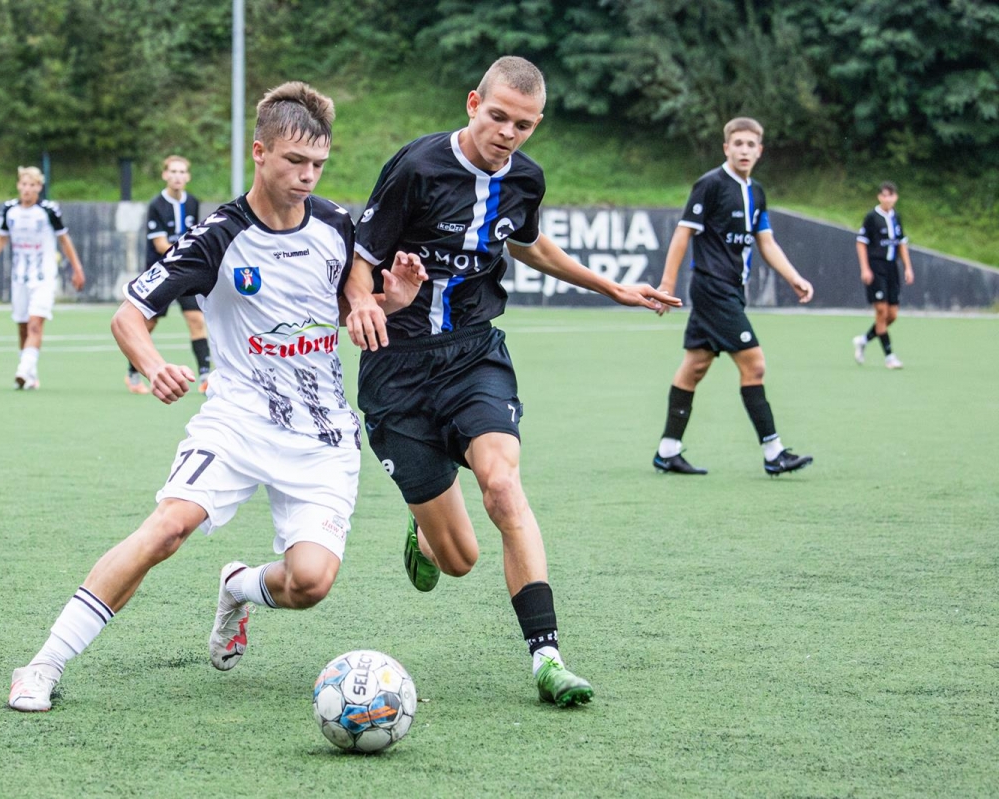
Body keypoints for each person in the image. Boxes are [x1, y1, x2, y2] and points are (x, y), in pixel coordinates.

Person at [7, 81, 425, 712]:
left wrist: (392, 301)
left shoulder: (337, 226)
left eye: (318, 164)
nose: (307, 176)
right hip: (237, 420)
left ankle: (238, 586)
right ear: (259, 152)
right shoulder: (217, 236)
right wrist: (152, 365)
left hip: (321, 435)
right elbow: (128, 317)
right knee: (166, 529)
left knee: (310, 583)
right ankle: (43, 664)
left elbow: (348, 313)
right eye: (294, 161)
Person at [343, 56, 680, 709]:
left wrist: (610, 287)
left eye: (523, 125)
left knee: (502, 486)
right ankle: (425, 529)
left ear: (536, 124)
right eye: (498, 116)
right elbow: (362, 257)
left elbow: (528, 243)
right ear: (473, 103)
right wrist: (361, 303)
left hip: (473, 354)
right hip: (398, 369)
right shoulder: (416, 168)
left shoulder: (525, 177)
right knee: (458, 559)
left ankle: (547, 658)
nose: (508, 133)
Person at [652, 117, 815, 477]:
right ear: (726, 148)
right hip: (713, 289)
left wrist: (794, 278)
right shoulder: (710, 184)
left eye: (750, 144)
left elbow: (766, 242)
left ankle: (667, 451)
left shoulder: (757, 191)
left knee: (695, 366)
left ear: (760, 150)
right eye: (737, 143)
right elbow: (682, 234)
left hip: (732, 291)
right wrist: (666, 285)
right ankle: (773, 452)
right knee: (754, 365)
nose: (744, 150)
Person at [0, 166, 86, 390]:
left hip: (43, 277)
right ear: (18, 185)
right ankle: (31, 375)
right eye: (24, 184)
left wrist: (77, 268)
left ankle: (23, 371)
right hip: (19, 277)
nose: (27, 189)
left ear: (39, 187)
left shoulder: (49, 210)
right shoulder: (9, 210)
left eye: (32, 185)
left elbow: (64, 240)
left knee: (35, 323)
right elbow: (0, 238)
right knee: (23, 325)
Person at [125, 155, 212, 394]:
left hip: (187, 272)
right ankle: (133, 372)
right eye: (173, 171)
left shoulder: (192, 202)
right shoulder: (156, 204)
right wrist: (191, 254)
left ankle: (205, 376)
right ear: (165, 175)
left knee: (196, 320)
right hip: (161, 273)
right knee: (148, 324)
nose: (177, 176)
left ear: (188, 176)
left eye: (182, 172)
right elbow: (161, 244)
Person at [852, 181, 913, 369]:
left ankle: (864, 340)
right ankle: (889, 357)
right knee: (881, 311)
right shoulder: (872, 217)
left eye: (890, 195)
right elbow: (861, 243)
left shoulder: (896, 217)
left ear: (896, 197)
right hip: (876, 267)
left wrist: (908, 268)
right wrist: (865, 269)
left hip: (892, 268)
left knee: (892, 315)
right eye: (884, 195)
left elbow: (901, 244)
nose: (887, 199)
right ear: (879, 197)